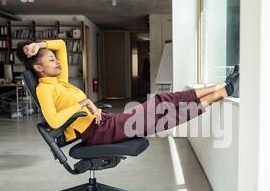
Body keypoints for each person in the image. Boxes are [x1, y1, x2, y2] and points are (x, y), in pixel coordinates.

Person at [16, 40, 240, 146]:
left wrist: (40, 44)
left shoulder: (59, 81)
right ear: (38, 68)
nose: (57, 61)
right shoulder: (44, 90)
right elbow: (54, 122)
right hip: (98, 132)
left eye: (55, 59)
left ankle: (222, 89)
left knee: (165, 116)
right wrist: (83, 103)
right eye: (51, 60)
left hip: (105, 123)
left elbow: (62, 45)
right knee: (161, 103)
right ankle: (223, 86)